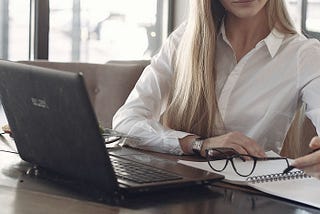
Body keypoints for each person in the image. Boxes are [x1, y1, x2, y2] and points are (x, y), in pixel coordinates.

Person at [113, 0, 320, 177]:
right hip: (178, 187)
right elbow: (125, 121)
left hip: (250, 198)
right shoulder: (184, 40)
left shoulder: (304, 54)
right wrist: (197, 144)